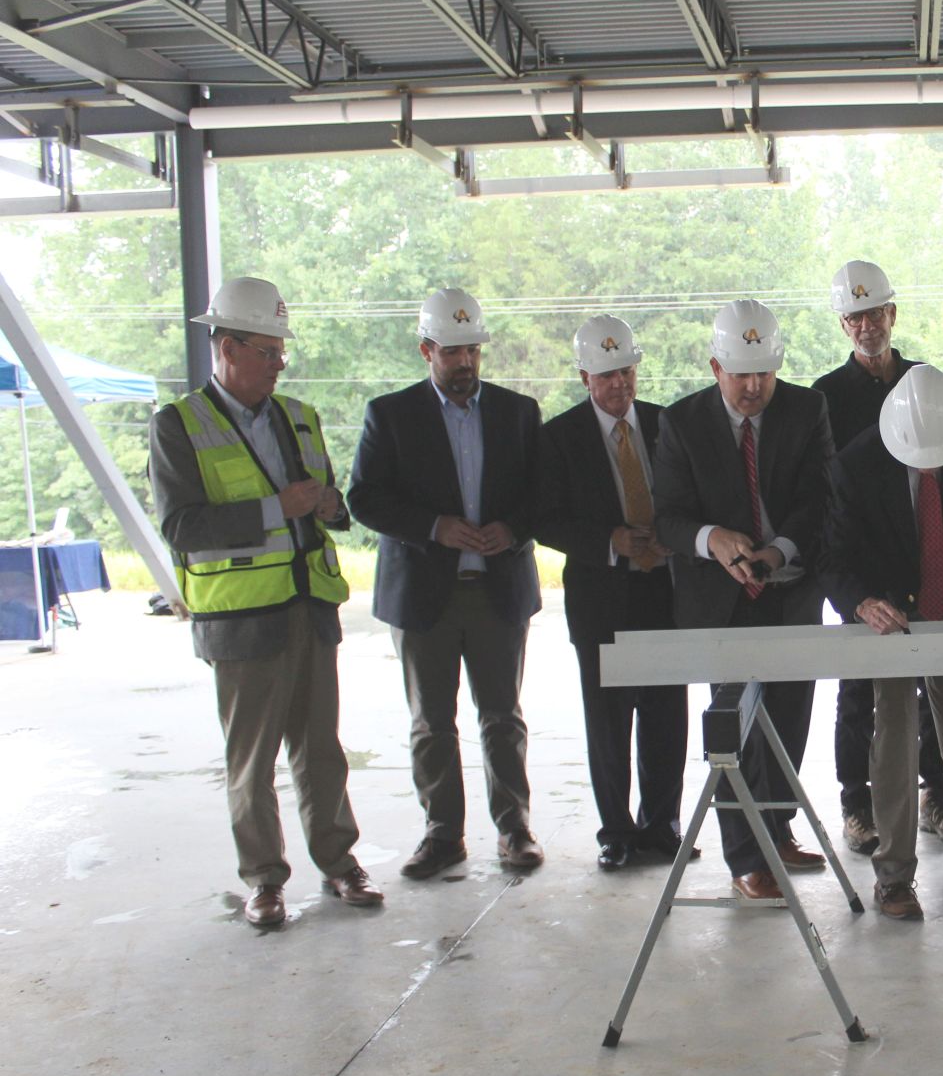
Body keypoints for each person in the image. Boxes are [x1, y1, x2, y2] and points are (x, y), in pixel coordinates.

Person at [150, 277, 381, 929]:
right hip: (242, 619)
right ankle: (264, 881)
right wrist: (274, 510)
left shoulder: (298, 416)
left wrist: (330, 507)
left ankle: (340, 865)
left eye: (281, 350)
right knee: (252, 763)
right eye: (267, 350)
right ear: (226, 346)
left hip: (309, 607)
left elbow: (332, 505)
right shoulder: (180, 426)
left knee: (321, 750)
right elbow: (182, 528)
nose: (280, 362)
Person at [347, 287, 545, 880]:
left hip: (498, 591)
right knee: (432, 722)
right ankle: (443, 834)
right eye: (452, 352)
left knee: (502, 716)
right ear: (426, 350)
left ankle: (515, 829)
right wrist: (436, 528)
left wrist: (511, 530)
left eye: (473, 352)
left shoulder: (518, 412)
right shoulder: (391, 415)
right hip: (422, 594)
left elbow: (548, 495)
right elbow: (364, 498)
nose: (464, 363)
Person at [653, 299, 834, 901]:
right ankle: (744, 859)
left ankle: (776, 829)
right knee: (734, 729)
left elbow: (820, 499)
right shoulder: (680, 424)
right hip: (717, 602)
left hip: (789, 591)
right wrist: (713, 540)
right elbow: (668, 520)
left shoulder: (807, 409)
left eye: (765, 373)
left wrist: (779, 549)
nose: (755, 387)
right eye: (741, 375)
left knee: (788, 721)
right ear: (714, 367)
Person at [822, 365, 943, 919]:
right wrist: (860, 602)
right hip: (888, 616)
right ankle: (894, 874)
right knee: (894, 739)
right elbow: (831, 560)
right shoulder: (854, 463)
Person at [534, 316, 690, 873]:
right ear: (584, 377)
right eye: (606, 375)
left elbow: (687, 494)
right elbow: (544, 518)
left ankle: (662, 826)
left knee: (667, 713)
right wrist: (610, 541)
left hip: (665, 592)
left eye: (626, 370)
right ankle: (616, 832)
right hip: (602, 597)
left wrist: (674, 535)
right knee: (608, 720)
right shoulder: (559, 437)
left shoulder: (665, 424)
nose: (619, 384)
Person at [811, 259, 943, 856]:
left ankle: (935, 792)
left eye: (876, 313)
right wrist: (849, 584)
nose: (867, 325)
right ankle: (856, 803)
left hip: (924, 553)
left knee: (934, 682)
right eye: (855, 317)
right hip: (862, 564)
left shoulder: (924, 381)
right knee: (859, 688)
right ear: (844, 325)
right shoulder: (826, 397)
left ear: (893, 314)